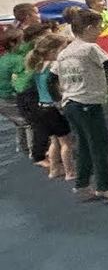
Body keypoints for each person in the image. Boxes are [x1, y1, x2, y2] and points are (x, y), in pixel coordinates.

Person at [54, 10, 108, 203]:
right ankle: (103, 187)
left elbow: (51, 77)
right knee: (99, 146)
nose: (101, 30)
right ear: (89, 28)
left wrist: (59, 99)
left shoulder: (65, 52)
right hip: (87, 104)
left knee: (83, 145)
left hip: (71, 104)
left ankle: (82, 183)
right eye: (99, 27)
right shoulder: (90, 48)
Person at [26, 33, 75, 181]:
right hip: (54, 108)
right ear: (54, 51)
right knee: (66, 142)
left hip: (41, 107)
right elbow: (58, 86)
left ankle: (54, 170)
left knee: (54, 141)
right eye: (63, 49)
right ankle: (70, 172)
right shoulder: (55, 65)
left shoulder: (38, 65)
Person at [14, 23, 54, 165]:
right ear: (36, 38)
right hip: (28, 92)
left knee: (41, 123)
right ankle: (39, 156)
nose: (50, 38)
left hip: (31, 91)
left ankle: (42, 151)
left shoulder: (33, 50)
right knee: (39, 124)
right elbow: (29, 73)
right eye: (47, 35)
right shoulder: (32, 53)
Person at [0, 27, 29, 155]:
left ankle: (23, 147)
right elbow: (23, 80)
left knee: (19, 122)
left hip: (3, 97)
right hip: (8, 97)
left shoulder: (4, 58)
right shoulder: (17, 60)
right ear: (13, 43)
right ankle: (33, 152)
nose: (25, 44)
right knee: (27, 122)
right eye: (22, 41)